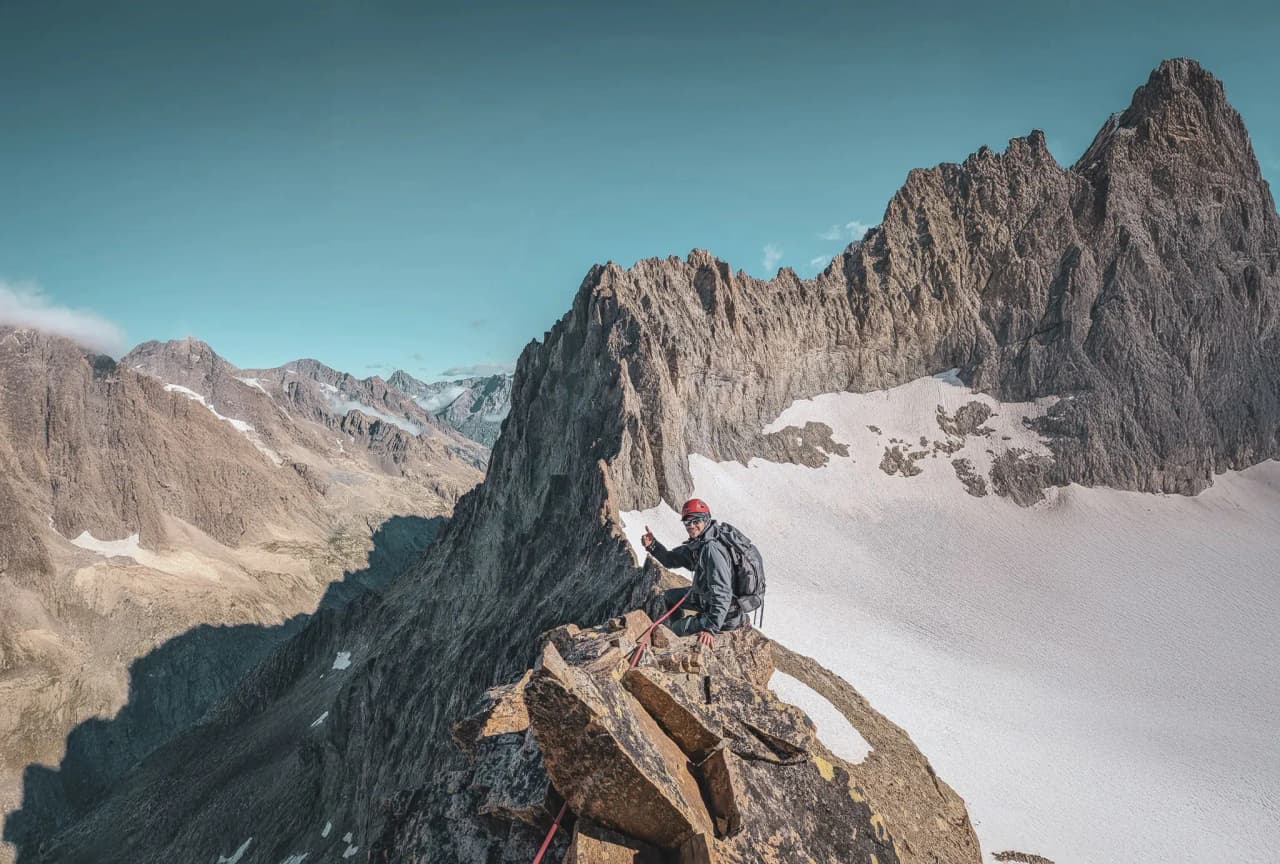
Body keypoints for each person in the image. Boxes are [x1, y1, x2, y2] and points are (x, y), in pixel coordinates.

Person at [640, 498, 745, 647]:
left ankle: (680, 632)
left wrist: (711, 628)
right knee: (669, 597)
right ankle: (686, 627)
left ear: (706, 520)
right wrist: (653, 546)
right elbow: (671, 559)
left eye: (696, 521)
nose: (691, 525)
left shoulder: (711, 549)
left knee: (675, 629)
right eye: (687, 522)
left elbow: (722, 592)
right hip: (706, 598)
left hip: (726, 613)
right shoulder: (699, 544)